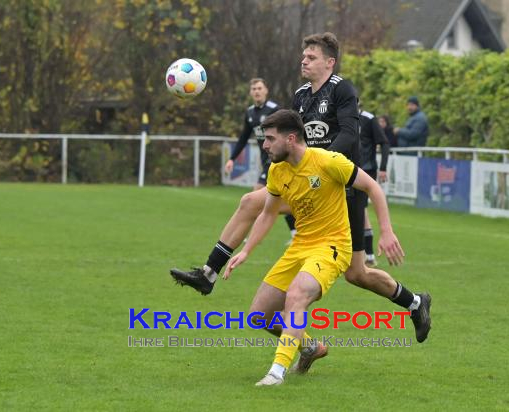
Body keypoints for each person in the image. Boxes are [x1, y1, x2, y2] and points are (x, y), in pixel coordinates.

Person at [170, 32, 431, 357]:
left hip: (342, 189)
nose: (303, 61)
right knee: (252, 201)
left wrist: (320, 168)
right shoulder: (301, 96)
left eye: (310, 57)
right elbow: (290, 139)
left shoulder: (342, 90)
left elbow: (351, 136)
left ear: (329, 62)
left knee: (357, 274)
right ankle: (208, 273)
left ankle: (415, 302)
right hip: (308, 183)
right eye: (303, 56)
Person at [224, 109, 404, 385]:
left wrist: (386, 232)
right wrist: (247, 249)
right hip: (300, 246)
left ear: (291, 139)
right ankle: (309, 347)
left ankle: (277, 372)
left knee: (296, 296)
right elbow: (268, 213)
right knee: (259, 315)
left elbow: (373, 189)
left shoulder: (328, 161)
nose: (265, 145)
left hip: (332, 246)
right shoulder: (277, 170)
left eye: (270, 139)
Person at [223, 78, 297, 240]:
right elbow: (243, 137)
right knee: (283, 198)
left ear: (266, 90)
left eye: (259, 88)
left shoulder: (274, 109)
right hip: (266, 161)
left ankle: (250, 236)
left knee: (254, 196)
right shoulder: (250, 112)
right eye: (254, 89)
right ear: (250, 93)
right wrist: (232, 159)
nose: (256, 91)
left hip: (278, 161)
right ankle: (296, 234)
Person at [359, 110, 390, 267]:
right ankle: (367, 254)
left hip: (366, 170)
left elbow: (384, 142)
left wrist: (383, 167)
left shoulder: (368, 119)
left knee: (360, 209)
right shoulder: (339, 116)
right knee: (357, 210)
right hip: (345, 169)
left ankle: (369, 254)